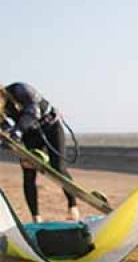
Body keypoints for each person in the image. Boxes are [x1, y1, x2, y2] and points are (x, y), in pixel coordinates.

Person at [0, 83, 80, 223]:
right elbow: (5, 132)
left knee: (58, 168)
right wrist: (14, 146)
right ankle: (36, 217)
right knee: (28, 171)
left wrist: (17, 131)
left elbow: (33, 111)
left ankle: (72, 206)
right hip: (30, 135)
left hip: (51, 127)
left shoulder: (20, 89)